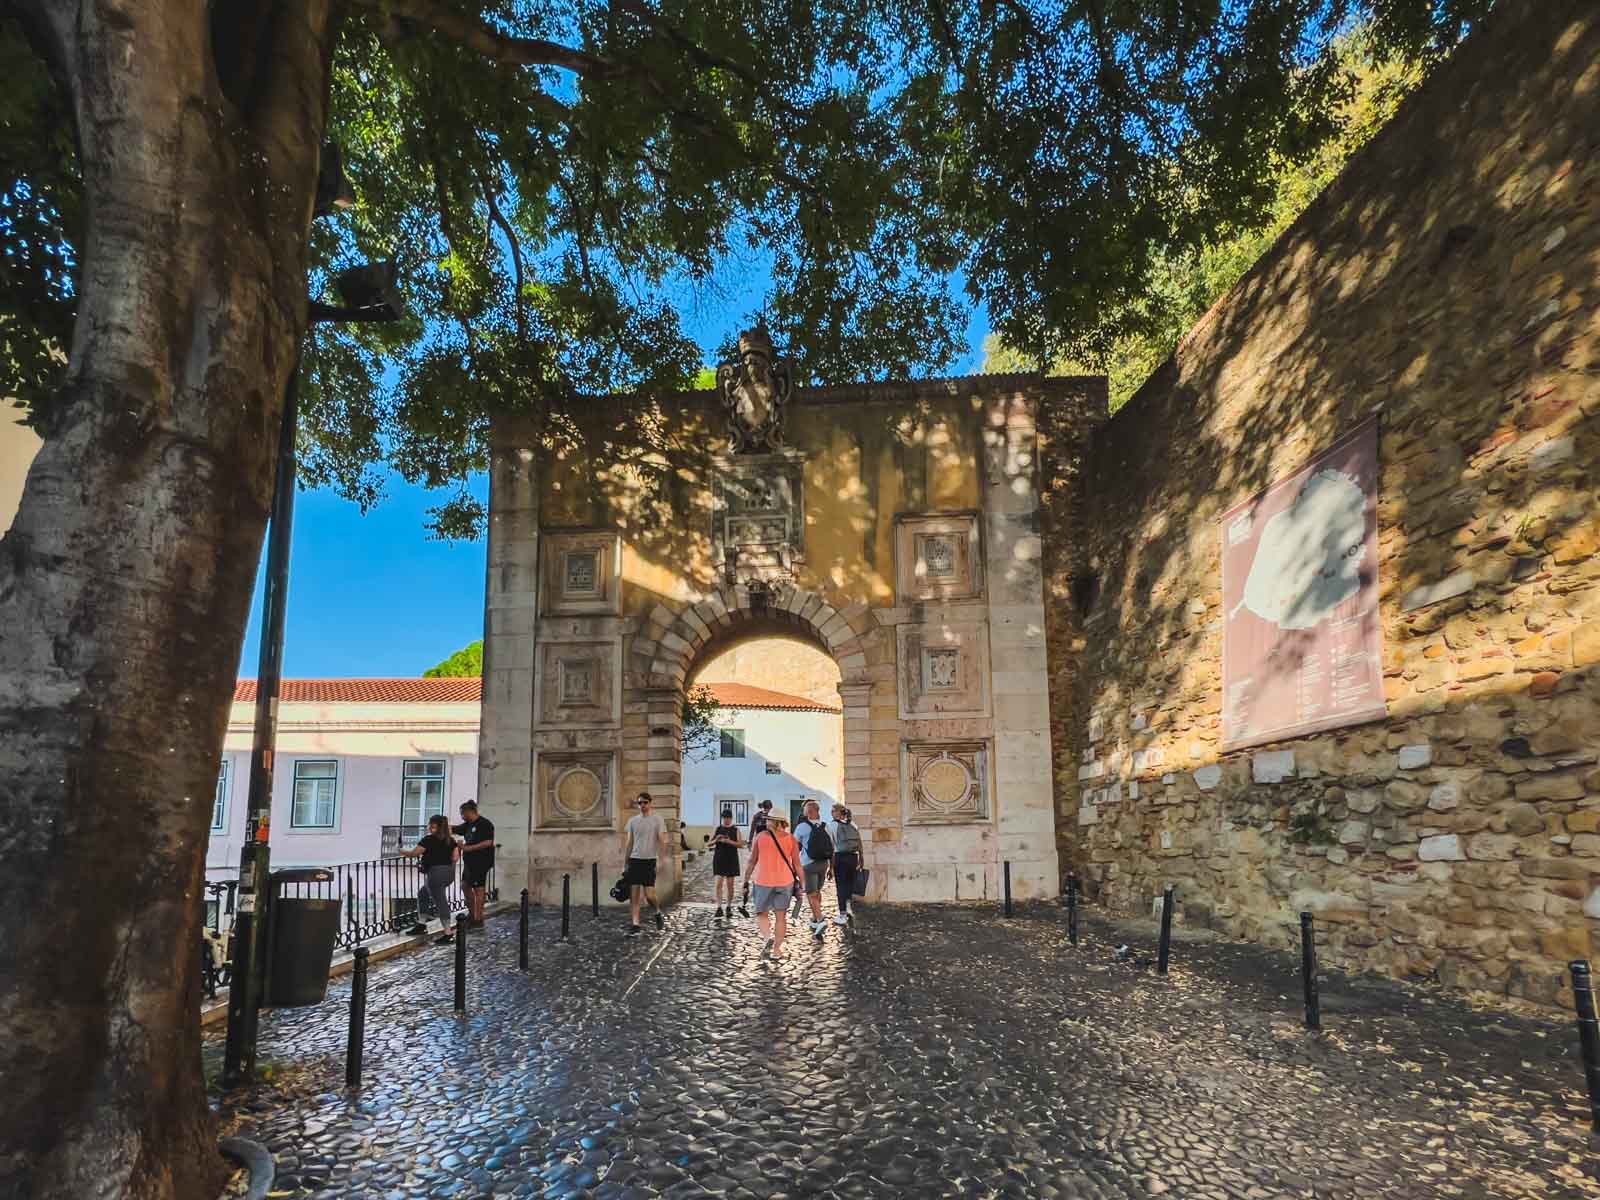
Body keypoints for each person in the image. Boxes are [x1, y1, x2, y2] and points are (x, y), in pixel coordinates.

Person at [744, 812, 803, 958]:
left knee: (761, 914)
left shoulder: (760, 837)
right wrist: (803, 884)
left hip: (763, 881)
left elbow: (752, 861)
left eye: (768, 820)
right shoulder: (791, 839)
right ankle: (777, 950)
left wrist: (745, 880)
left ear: (774, 822)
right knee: (781, 917)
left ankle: (767, 937)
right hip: (785, 882)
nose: (766, 822)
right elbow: (797, 864)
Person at [399, 814, 460, 944]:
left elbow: (413, 853)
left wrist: (401, 851)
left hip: (436, 874)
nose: (429, 828)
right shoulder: (451, 840)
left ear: (436, 827)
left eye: (431, 826)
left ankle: (448, 934)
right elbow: (455, 857)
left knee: (441, 902)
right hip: (449, 873)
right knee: (423, 894)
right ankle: (421, 924)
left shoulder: (428, 840)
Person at [620, 792, 669, 936]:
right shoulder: (633, 821)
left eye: (645, 802)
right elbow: (629, 844)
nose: (642, 805)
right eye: (640, 803)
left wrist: (662, 859)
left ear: (650, 803)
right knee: (634, 895)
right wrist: (625, 863)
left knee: (649, 895)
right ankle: (635, 924)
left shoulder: (657, 819)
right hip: (635, 860)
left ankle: (658, 912)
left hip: (649, 861)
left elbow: (662, 840)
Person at [452, 801, 496, 929]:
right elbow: (456, 829)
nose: (461, 816)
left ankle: (478, 918)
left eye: (462, 813)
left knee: (478, 889)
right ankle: (472, 914)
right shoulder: (468, 824)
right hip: (469, 862)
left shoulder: (485, 824)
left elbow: (488, 842)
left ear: (469, 812)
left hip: (481, 861)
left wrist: (467, 848)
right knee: (465, 886)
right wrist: (441, 826)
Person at [794, 798, 833, 938]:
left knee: (811, 893)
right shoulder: (825, 826)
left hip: (808, 864)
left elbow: (794, 847)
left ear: (809, 812)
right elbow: (832, 847)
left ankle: (821, 919)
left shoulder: (801, 827)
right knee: (817, 892)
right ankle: (815, 919)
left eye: (805, 811)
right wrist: (831, 868)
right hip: (823, 864)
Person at [829, 803, 864, 926]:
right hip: (853, 857)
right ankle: (848, 908)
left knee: (841, 886)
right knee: (849, 884)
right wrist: (861, 860)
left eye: (833, 811)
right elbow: (860, 844)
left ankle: (842, 914)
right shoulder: (853, 825)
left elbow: (831, 847)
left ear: (839, 813)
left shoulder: (832, 825)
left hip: (840, 858)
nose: (831, 813)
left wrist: (830, 866)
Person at [709, 808, 743, 921]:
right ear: (722, 818)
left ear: (731, 818)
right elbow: (709, 843)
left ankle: (728, 906)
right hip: (719, 858)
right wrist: (716, 840)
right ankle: (719, 907)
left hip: (731, 859)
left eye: (728, 818)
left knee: (730, 885)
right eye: (724, 818)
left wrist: (728, 841)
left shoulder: (736, 829)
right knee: (718, 883)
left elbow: (740, 844)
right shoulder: (718, 829)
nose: (726, 820)